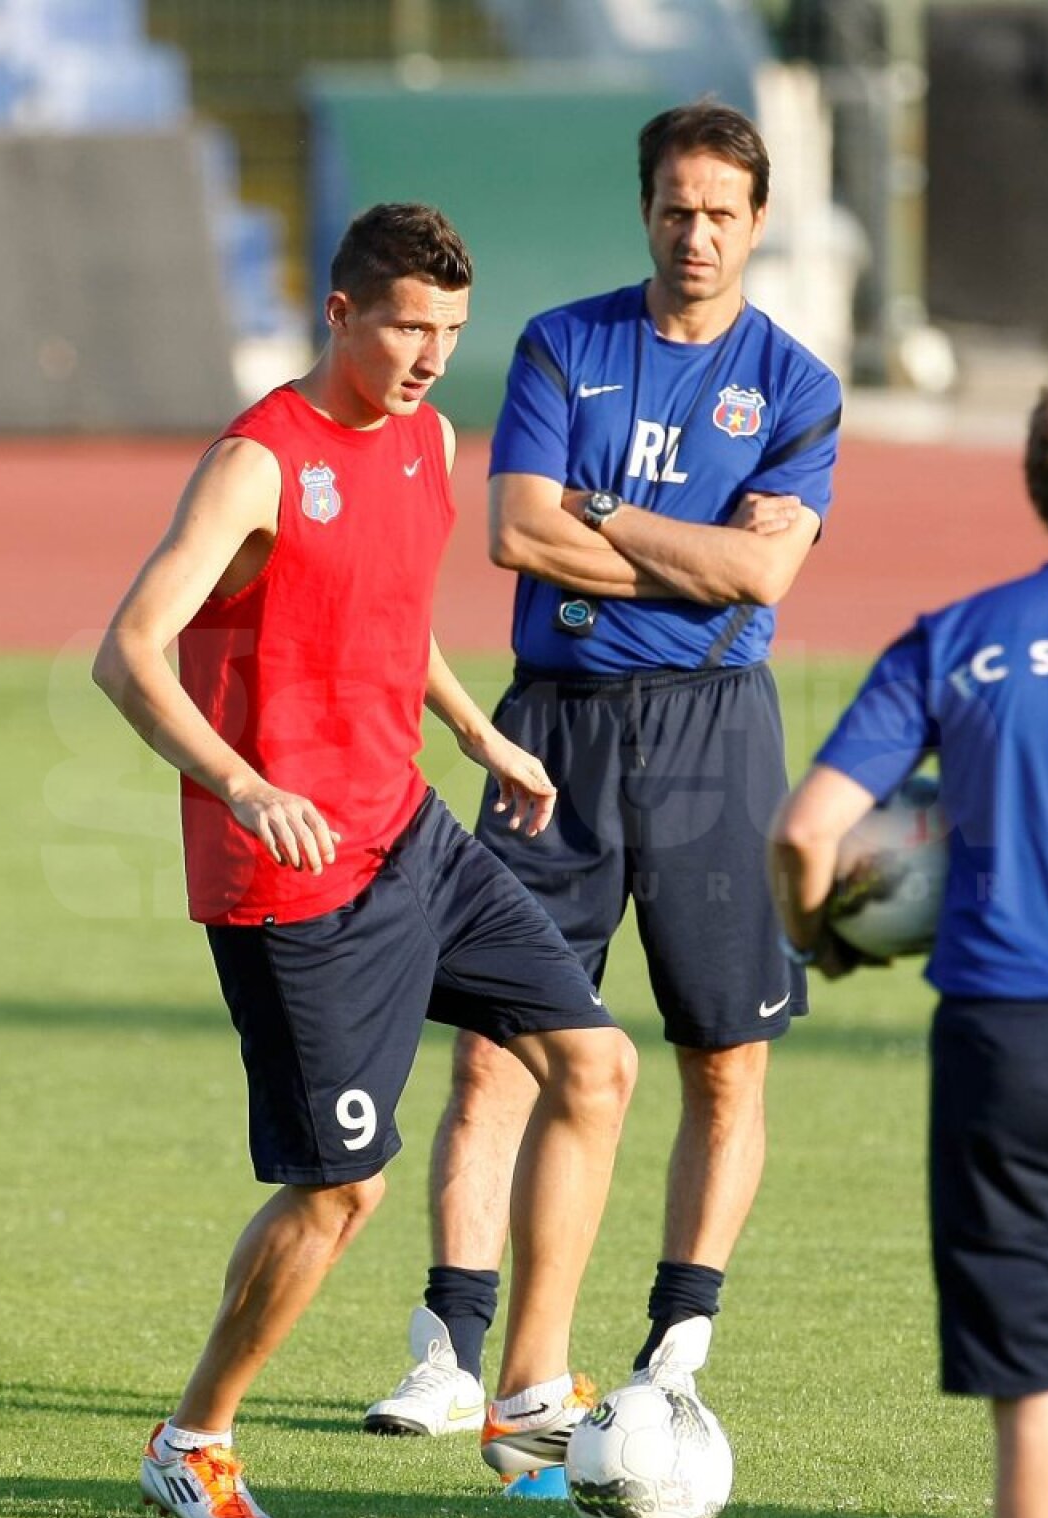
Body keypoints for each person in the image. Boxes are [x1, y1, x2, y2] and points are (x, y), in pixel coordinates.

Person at [92, 201, 638, 1518]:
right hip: (289, 882)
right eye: (406, 324)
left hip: (411, 837)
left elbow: (388, 615)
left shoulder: (429, 441)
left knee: (597, 1062)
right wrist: (241, 781)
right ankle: (196, 1436)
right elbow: (129, 653)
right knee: (343, 1190)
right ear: (341, 313)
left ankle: (522, 1406)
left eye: (451, 329)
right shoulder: (258, 463)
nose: (430, 353)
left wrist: (470, 730)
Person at [365, 101, 842, 1441]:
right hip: (554, 733)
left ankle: (671, 1352)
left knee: (724, 1060)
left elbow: (763, 577)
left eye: (722, 213)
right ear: (645, 210)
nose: (697, 233)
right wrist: (687, 550)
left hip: (714, 735)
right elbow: (518, 532)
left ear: (757, 223)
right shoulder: (564, 344)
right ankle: (450, 1355)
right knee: (495, 1060)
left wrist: (602, 512)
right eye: (676, 208)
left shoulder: (797, 385)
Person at [767, 362, 1048, 1518]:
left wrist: (826, 939)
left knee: (1041, 1420)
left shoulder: (958, 636)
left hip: (1006, 1052)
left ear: (1037, 481)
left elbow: (810, 834)